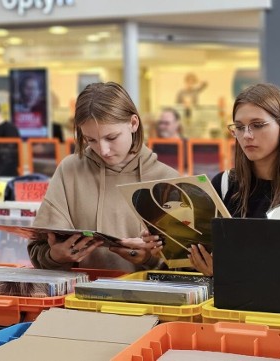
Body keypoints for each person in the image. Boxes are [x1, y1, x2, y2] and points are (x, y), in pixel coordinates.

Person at [28, 82, 180, 272]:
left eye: (111, 137)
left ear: (133, 123)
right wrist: (55, 257)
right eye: (91, 140)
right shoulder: (69, 170)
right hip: (77, 298)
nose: (103, 150)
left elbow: (187, 269)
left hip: (146, 300)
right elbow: (37, 250)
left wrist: (149, 259)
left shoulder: (168, 180)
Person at [189, 83, 280, 276]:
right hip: (222, 304)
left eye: (257, 125)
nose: (246, 135)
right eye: (239, 127)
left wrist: (228, 272)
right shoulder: (224, 185)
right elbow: (195, 254)